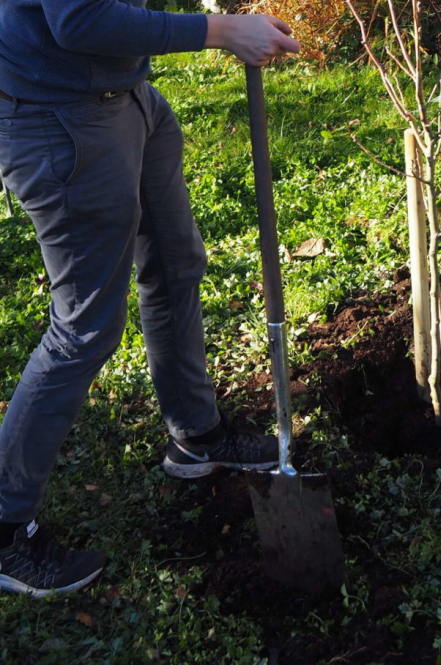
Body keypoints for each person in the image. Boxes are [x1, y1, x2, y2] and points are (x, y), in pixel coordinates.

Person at [0, 0, 300, 598]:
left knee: (174, 263)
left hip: (127, 95)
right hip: (58, 118)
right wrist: (221, 30)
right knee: (84, 326)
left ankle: (196, 435)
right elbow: (80, 19)